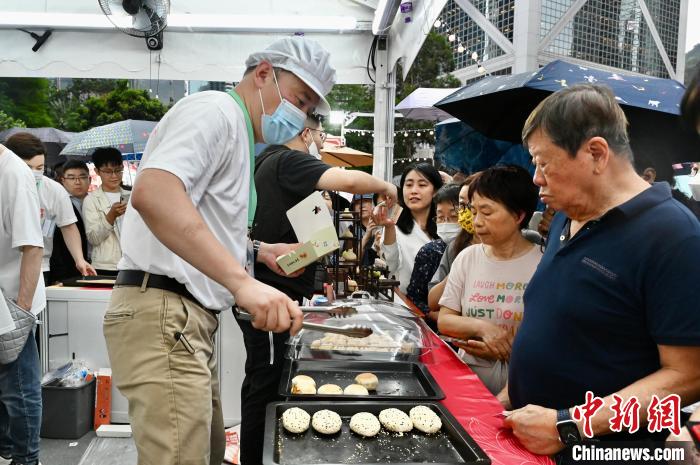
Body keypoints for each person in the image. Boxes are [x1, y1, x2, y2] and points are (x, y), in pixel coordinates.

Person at [103, 36, 336, 465]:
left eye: (308, 110)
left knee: (202, 454)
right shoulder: (216, 111)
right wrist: (242, 283)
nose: (300, 116)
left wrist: (258, 251)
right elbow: (155, 194)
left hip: (184, 321)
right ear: (264, 73)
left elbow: (201, 219)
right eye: (300, 100)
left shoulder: (241, 135)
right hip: (164, 310)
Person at [504, 85, 700, 460]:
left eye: (543, 162)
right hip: (529, 442)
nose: (536, 178)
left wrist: (570, 425)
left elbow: (689, 374)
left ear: (596, 153)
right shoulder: (566, 216)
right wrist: (512, 392)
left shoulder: (673, 235)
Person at [241, 113, 397, 464]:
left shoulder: (270, 164)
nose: (322, 142)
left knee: (267, 379)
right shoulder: (288, 159)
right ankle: (256, 456)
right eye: (322, 134)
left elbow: (314, 246)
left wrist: (319, 274)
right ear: (306, 131)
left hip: (282, 291)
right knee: (265, 383)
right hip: (271, 296)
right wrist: (387, 188)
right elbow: (352, 182)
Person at [437, 165, 540, 395]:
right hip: (466, 384)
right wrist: (482, 328)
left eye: (487, 212)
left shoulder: (542, 265)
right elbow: (445, 320)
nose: (477, 222)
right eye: (474, 212)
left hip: (521, 389)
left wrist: (505, 349)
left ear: (518, 215)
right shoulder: (467, 258)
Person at [0, 144, 45, 465]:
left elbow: (32, 247)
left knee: (19, 389)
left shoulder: (15, 174)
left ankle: (26, 460)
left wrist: (22, 311)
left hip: (12, 302)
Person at [4, 133, 95, 284]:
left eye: (39, 168)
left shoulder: (54, 190)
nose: (34, 173)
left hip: (39, 267)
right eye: (27, 168)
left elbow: (69, 226)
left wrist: (79, 259)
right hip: (4, 264)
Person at [374, 163, 443, 294]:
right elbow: (390, 265)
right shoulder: (394, 227)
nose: (414, 191)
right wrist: (389, 228)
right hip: (407, 305)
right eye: (409, 185)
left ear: (435, 191)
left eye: (422, 185)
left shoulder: (445, 227)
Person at [406, 183, 461, 322]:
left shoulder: (479, 249)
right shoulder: (430, 251)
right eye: (441, 217)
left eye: (454, 217)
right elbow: (415, 298)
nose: (446, 223)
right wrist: (437, 317)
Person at [427, 175, 478, 314]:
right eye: (462, 205)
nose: (467, 212)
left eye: (471, 205)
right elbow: (433, 302)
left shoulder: (530, 242)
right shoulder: (455, 248)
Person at [82, 147, 130, 276]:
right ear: (97, 171)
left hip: (133, 264)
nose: (114, 176)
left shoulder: (132, 196)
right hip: (106, 266)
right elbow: (93, 238)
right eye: (108, 171)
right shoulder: (91, 200)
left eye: (118, 170)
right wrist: (111, 216)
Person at [50, 160, 92, 283]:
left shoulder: (96, 201)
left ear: (89, 179)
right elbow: (56, 244)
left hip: (96, 263)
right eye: (72, 178)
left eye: (82, 177)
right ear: (63, 180)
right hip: (68, 268)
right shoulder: (58, 204)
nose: (78, 182)